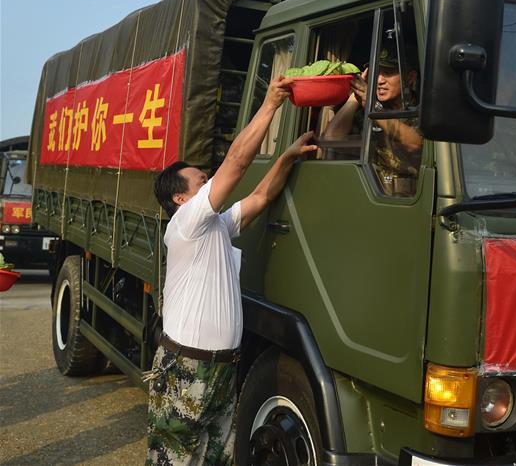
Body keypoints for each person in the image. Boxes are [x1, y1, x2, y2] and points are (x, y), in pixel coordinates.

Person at [146, 76, 317, 466]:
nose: (209, 183)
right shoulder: (187, 223)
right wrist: (271, 103)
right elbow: (237, 163)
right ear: (181, 198)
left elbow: (260, 197)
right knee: (171, 461)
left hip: (221, 369)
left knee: (214, 460)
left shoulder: (216, 225)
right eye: (201, 181)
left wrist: (287, 158)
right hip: (187, 368)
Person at [323, 47, 423, 195]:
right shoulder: (368, 105)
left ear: (410, 77)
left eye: (388, 73)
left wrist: (373, 106)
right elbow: (331, 139)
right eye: (376, 73)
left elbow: (414, 144)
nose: (380, 81)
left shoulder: (422, 108)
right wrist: (356, 96)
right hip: (374, 194)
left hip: (410, 199)